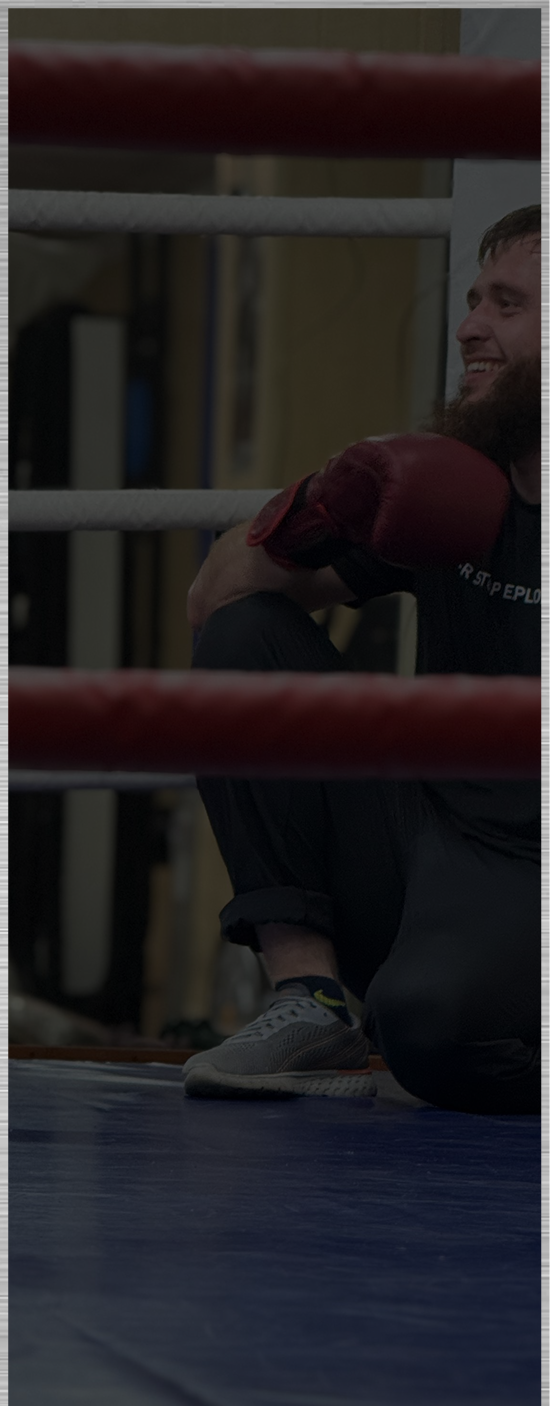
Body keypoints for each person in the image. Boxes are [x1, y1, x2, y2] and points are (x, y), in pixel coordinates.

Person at [183, 205, 541, 1113]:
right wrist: (316, 506)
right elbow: (214, 605)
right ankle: (310, 999)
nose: (469, 328)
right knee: (246, 638)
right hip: (427, 836)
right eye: (473, 301)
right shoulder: (455, 487)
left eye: (506, 304)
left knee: (431, 1032)